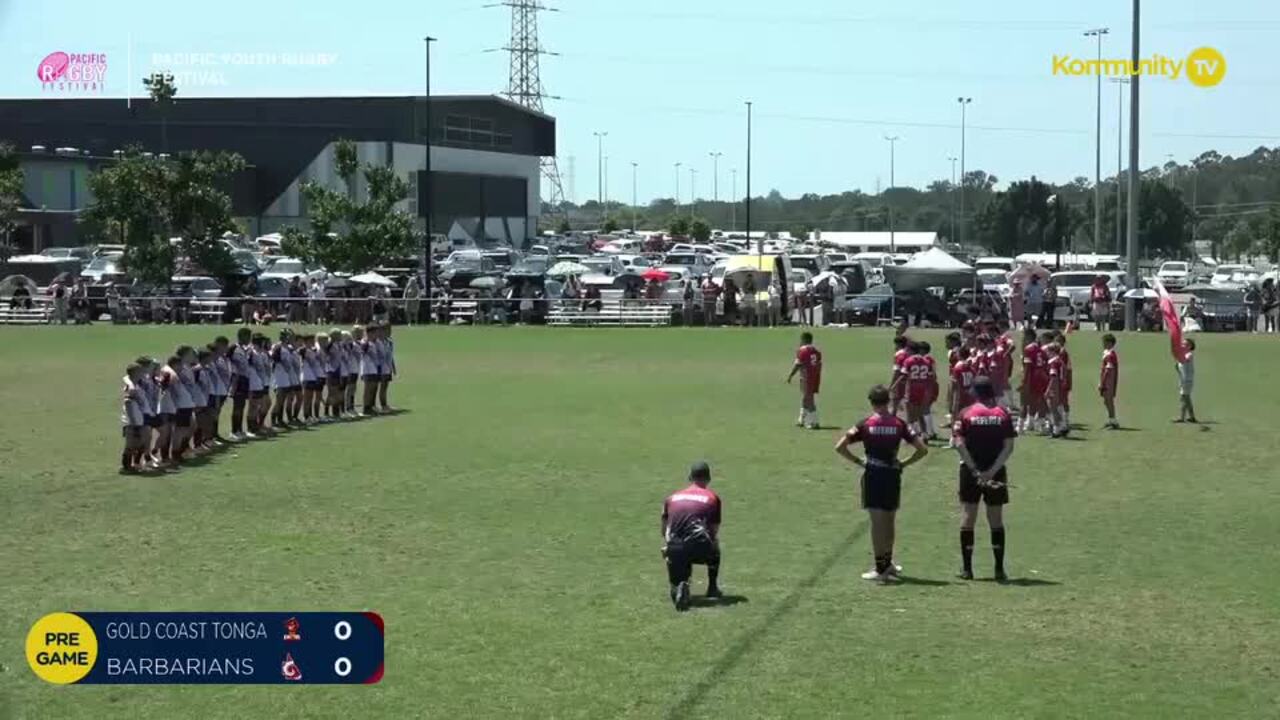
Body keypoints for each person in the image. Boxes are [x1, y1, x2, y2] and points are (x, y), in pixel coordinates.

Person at [835, 384, 929, 582]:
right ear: (888, 401)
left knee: (877, 522)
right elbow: (922, 450)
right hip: (893, 474)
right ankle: (888, 562)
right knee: (889, 520)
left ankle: (880, 569)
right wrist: (904, 463)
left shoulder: (865, 424)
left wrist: (859, 462)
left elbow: (840, 447)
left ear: (871, 402)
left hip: (874, 474)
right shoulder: (899, 424)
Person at [953, 377, 1017, 581]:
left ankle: (967, 569)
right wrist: (991, 471)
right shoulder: (1003, 413)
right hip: (995, 472)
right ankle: (999, 569)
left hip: (970, 472)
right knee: (996, 519)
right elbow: (1008, 447)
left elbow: (958, 444)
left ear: (976, 393)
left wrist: (974, 470)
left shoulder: (966, 413)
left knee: (968, 517)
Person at [661, 462, 723, 611]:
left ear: (690, 477)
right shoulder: (713, 498)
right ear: (708, 479)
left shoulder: (671, 498)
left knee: (678, 551)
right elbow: (713, 531)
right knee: (714, 546)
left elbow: (664, 529)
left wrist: (668, 547)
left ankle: (680, 585)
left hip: (675, 549)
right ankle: (712, 588)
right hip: (699, 546)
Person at [786, 331, 823, 429]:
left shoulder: (802, 351)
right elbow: (819, 364)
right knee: (806, 398)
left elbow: (798, 365)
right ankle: (801, 419)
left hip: (806, 378)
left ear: (804, 340)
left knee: (809, 399)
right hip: (815, 377)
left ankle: (815, 422)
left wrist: (790, 375)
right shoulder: (816, 351)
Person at [120, 363, 147, 472]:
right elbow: (128, 403)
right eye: (140, 371)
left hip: (138, 419)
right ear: (135, 373)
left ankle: (132, 465)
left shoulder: (136, 385)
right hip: (132, 422)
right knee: (130, 445)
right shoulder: (130, 388)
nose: (143, 373)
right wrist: (134, 423)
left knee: (139, 444)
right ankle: (126, 467)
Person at [1099, 333, 1120, 429]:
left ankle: (1113, 421)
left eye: (1105, 342)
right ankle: (1111, 419)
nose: (1103, 344)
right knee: (1106, 401)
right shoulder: (1107, 353)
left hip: (1108, 382)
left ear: (1110, 343)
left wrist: (1102, 382)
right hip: (1107, 381)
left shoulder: (1110, 355)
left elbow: (1108, 370)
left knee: (1109, 401)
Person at [1175, 338, 1198, 423]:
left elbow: (1185, 360)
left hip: (1187, 380)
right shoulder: (1183, 355)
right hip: (1183, 380)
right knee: (1185, 398)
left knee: (1185, 398)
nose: (1182, 345)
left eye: (1185, 344)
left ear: (1190, 346)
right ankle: (1190, 417)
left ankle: (1183, 417)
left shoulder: (1189, 354)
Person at [889, 334, 912, 414]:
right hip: (910, 379)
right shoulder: (908, 353)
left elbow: (897, 371)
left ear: (897, 344)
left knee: (895, 398)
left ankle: (893, 416)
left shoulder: (899, 355)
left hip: (901, 380)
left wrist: (892, 384)